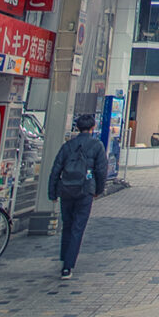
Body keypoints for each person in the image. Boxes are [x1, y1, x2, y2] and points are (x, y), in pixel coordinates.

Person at [47, 110, 106, 279]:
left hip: (66, 189)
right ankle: (68, 266)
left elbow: (56, 169)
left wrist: (52, 193)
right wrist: (98, 190)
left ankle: (65, 258)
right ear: (93, 127)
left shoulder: (68, 146)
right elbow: (101, 170)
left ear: (77, 127)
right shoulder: (97, 145)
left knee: (67, 225)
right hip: (85, 190)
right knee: (78, 227)